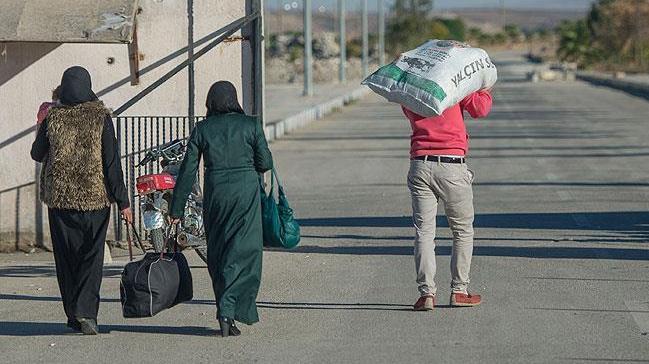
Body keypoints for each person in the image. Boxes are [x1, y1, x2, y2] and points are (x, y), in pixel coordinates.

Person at [30, 66, 132, 334]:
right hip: (95, 201)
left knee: (66, 259)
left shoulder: (54, 118)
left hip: (61, 202)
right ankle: (86, 312)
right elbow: (111, 164)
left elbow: (36, 153)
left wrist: (42, 126)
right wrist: (123, 201)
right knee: (91, 257)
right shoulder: (101, 117)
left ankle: (73, 314)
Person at [169, 81, 273, 337]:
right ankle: (230, 309)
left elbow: (187, 171)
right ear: (234, 99)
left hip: (216, 196)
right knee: (246, 252)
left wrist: (176, 209)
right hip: (245, 195)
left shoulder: (203, 129)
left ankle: (225, 310)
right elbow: (265, 162)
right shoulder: (251, 125)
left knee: (220, 252)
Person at [404, 89, 492, 311]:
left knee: (424, 231)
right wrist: (482, 88)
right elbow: (480, 109)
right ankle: (459, 291)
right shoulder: (456, 83)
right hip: (452, 164)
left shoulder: (415, 87)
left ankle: (426, 294)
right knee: (462, 230)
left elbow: (408, 109)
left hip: (420, 164)